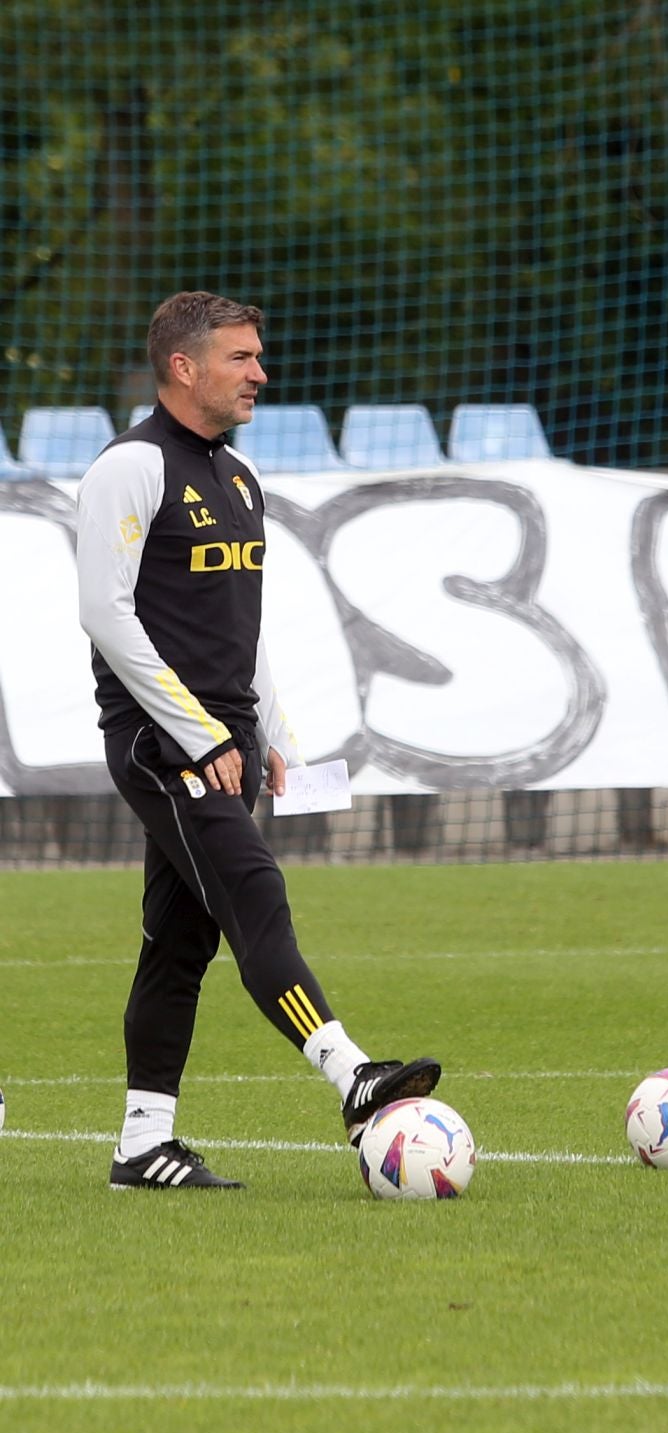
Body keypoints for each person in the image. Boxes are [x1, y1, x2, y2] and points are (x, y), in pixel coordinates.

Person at [74, 290, 441, 1190]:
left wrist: (268, 728)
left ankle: (141, 1144)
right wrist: (198, 734)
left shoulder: (239, 479)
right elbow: (104, 614)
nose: (260, 374)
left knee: (179, 940)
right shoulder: (130, 468)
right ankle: (353, 1075)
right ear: (183, 367)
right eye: (241, 358)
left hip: (222, 739)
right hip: (164, 745)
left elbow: (242, 624)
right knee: (252, 887)